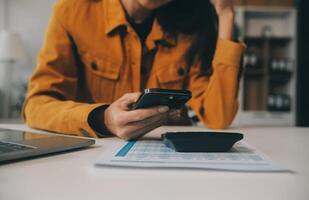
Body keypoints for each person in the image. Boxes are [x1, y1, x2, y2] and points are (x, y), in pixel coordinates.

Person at [23, 0, 245, 140]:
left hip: (168, 160)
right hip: (93, 162)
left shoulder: (191, 25)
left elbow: (219, 117)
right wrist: (104, 119)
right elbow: (36, 105)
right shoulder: (72, 11)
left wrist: (226, 14)